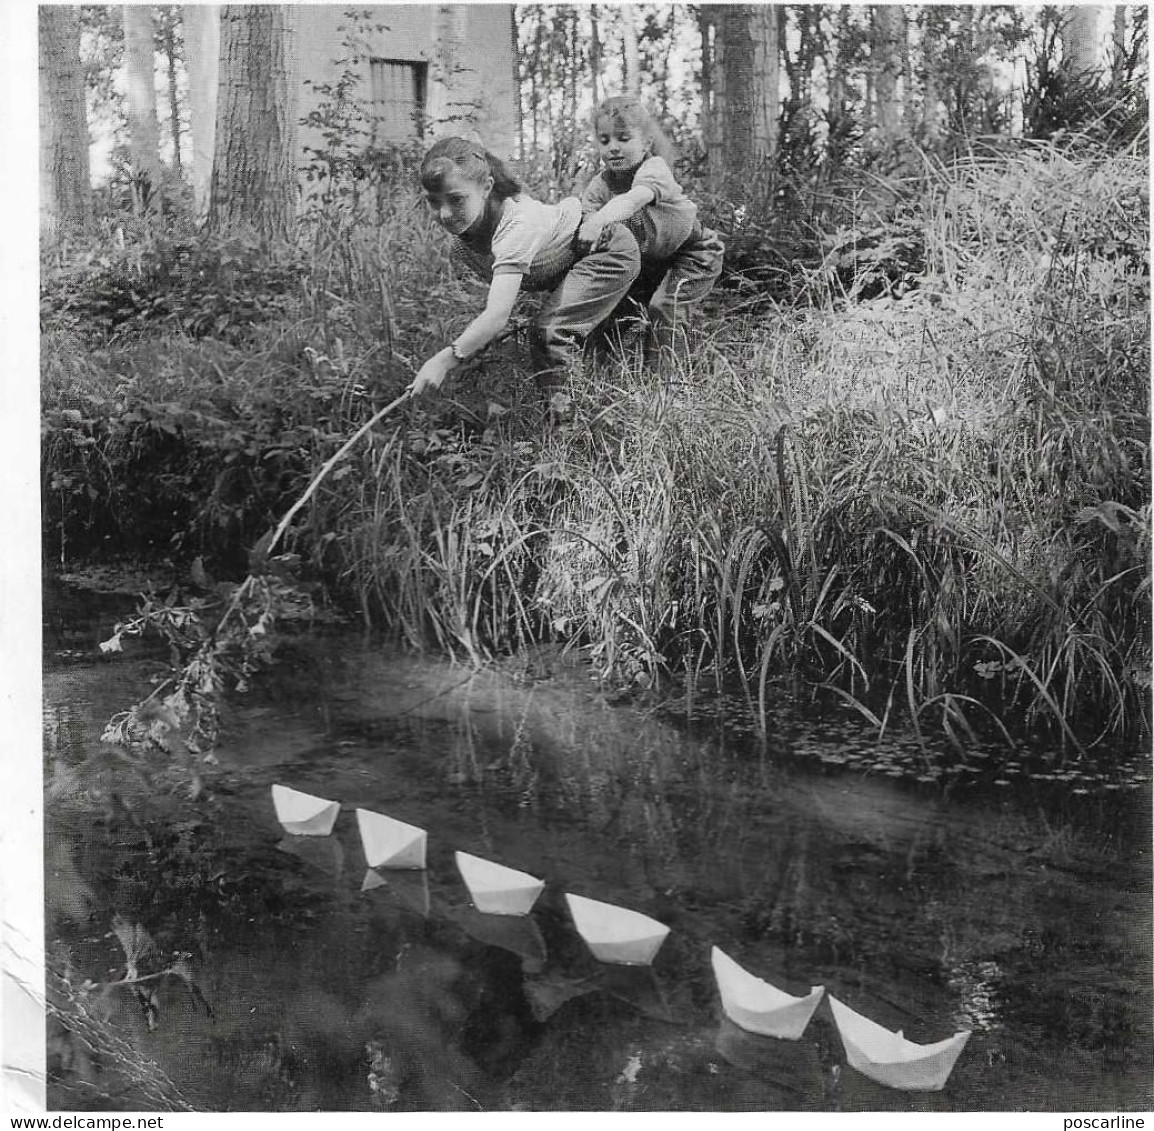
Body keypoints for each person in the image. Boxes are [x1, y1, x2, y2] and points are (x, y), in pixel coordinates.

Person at [409, 136, 641, 402]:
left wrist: (443, 362)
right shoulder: (465, 240)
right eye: (434, 202)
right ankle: (602, 397)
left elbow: (496, 315)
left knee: (550, 331)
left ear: (486, 187)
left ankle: (565, 429)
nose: (445, 214)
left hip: (605, 249)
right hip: (573, 264)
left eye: (456, 200)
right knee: (592, 344)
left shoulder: (516, 227)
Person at [577, 95, 724, 361]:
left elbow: (634, 199)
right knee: (617, 306)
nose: (613, 148)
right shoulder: (600, 185)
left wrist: (599, 221)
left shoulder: (653, 169)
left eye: (624, 139)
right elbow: (586, 222)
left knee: (667, 307)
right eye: (605, 140)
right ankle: (614, 374)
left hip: (694, 254)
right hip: (652, 259)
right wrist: (590, 226)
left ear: (646, 143)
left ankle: (669, 388)